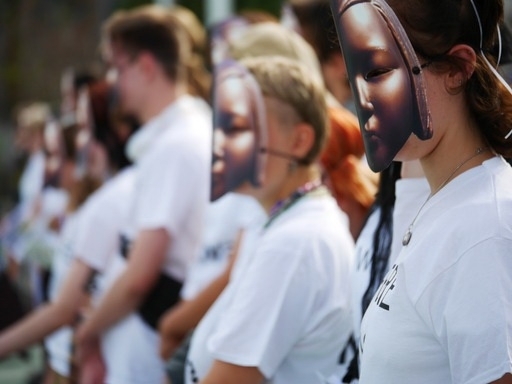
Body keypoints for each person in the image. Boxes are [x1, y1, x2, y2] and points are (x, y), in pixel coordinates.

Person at [330, 0, 512, 382]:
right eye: (355, 74)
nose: (361, 98)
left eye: (378, 71)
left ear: (458, 69)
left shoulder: (483, 230)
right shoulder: (449, 199)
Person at [185, 56, 354, 384]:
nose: (221, 145)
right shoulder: (281, 221)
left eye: (239, 128)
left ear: (299, 141)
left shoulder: (294, 244)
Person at [74, 5, 212, 384]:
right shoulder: (177, 136)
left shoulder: (177, 144)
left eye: (117, 67)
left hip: (143, 349)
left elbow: (139, 277)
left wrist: (86, 334)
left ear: (147, 65)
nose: (112, 81)